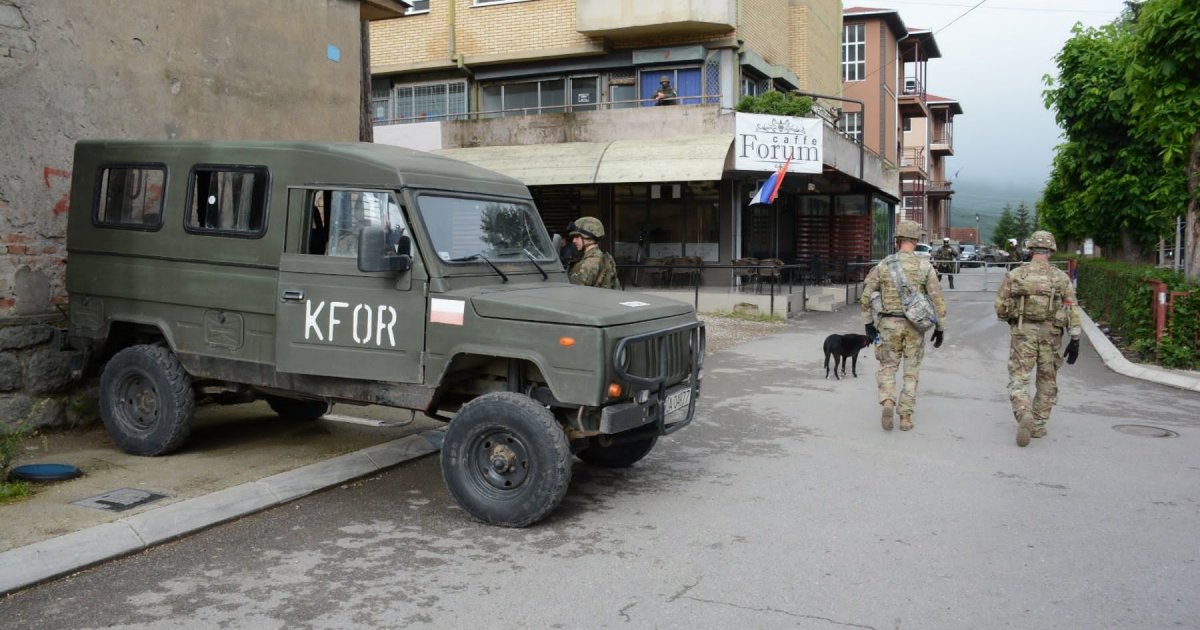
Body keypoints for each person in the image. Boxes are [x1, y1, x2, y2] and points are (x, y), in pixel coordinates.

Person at [994, 229, 1081, 447]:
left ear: (1030, 249)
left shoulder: (1016, 275)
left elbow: (1000, 309)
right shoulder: (1060, 278)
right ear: (1051, 251)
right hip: (1051, 335)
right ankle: (1039, 425)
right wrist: (1075, 338)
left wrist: (1013, 318)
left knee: (1019, 378)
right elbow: (1071, 307)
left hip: (1023, 333)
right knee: (1047, 380)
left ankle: (1023, 413)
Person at [860, 220, 947, 432]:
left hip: (888, 324)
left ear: (897, 241)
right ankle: (906, 417)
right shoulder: (925, 267)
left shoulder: (883, 265)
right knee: (911, 371)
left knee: (887, 367)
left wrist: (868, 324)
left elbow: (865, 296)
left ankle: (888, 402)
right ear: (916, 241)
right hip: (916, 327)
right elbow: (937, 300)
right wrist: (940, 327)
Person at [568, 216, 620, 289]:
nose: (574, 241)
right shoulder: (605, 257)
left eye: (577, 237)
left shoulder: (589, 263)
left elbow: (575, 292)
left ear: (589, 238)